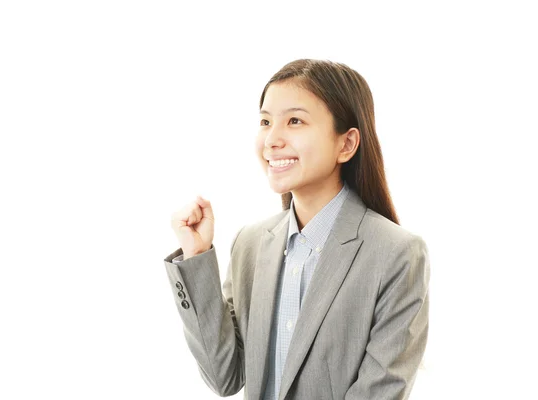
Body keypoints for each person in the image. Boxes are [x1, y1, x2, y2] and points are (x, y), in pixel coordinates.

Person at [164, 59, 430, 400]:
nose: (272, 139)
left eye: (294, 120)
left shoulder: (397, 254)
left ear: (346, 144)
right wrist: (196, 255)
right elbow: (225, 376)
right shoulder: (251, 243)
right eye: (265, 121)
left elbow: (380, 391)